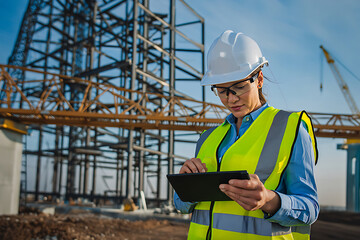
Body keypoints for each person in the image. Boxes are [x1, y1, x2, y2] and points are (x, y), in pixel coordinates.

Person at [173, 30, 319, 239]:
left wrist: (269, 200)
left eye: (239, 87)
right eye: (222, 91)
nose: (231, 99)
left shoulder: (290, 128)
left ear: (258, 79)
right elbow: (182, 206)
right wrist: (186, 186)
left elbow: (310, 208)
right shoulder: (207, 138)